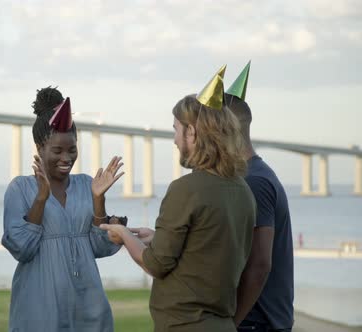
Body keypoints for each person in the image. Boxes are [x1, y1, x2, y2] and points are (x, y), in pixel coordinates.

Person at [101, 68, 256, 332]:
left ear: (192, 133)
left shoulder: (185, 190)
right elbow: (205, 247)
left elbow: (155, 264)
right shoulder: (243, 191)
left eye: (176, 130)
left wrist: (125, 235)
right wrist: (155, 237)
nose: (174, 140)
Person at [1, 86, 124, 331]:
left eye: (72, 150)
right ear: (39, 147)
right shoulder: (20, 188)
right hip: (40, 311)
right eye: (57, 150)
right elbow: (21, 248)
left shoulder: (86, 185)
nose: (66, 158)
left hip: (89, 308)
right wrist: (41, 198)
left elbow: (99, 247)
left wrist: (98, 199)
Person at [226, 62, 294, 332]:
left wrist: (232, 323)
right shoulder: (251, 176)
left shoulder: (254, 181)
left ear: (226, 129)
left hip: (258, 322)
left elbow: (260, 265)